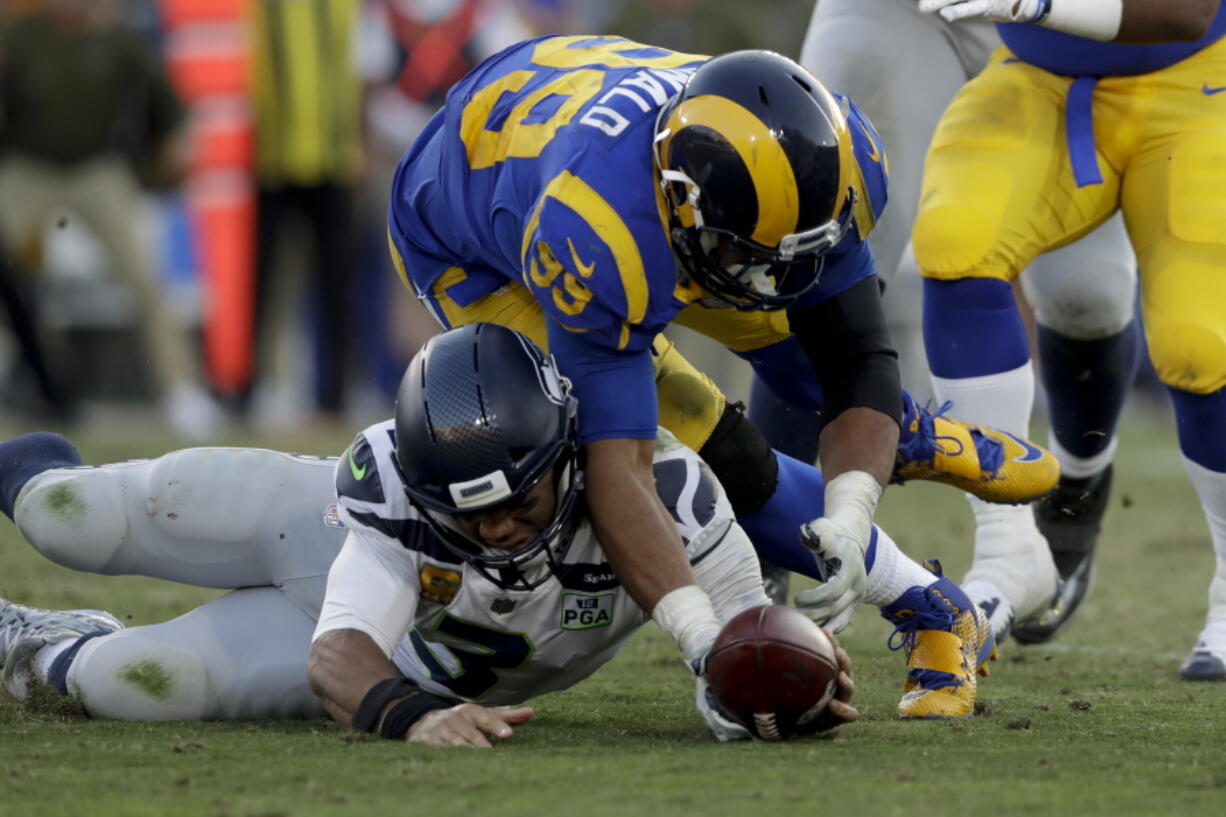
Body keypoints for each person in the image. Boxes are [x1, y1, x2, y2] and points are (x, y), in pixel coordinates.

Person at [384, 35, 1058, 682]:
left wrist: (851, 507)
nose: (774, 282)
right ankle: (928, 599)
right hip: (474, 247)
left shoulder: (825, 156)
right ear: (683, 204)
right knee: (707, 456)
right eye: (750, 258)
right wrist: (703, 640)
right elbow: (622, 470)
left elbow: (853, 356)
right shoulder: (599, 235)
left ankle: (902, 433)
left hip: (605, 146)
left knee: (809, 353)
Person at [0, 324, 993, 734]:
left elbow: (731, 655)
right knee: (67, 510)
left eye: (518, 496)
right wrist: (414, 715)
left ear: (566, 449)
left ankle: (41, 642)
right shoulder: (391, 487)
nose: (498, 525)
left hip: (414, 642)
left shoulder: (668, 496)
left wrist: (775, 688)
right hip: (310, 536)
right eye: (463, 505)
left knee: (138, 683)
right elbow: (342, 651)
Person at [768, 0, 1137, 642]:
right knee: (811, 242)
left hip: (1071, 25)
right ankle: (760, 553)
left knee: (1089, 293)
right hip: (901, 10)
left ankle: (1075, 494)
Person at [910, 0, 1226, 674]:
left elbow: (1189, 12)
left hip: (1199, 79)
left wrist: (1039, 1)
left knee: (1201, 340)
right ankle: (1007, 548)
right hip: (1039, 76)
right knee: (955, 237)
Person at [0, 0, 221, 437]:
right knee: (12, 275)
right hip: (29, 169)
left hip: (97, 170)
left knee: (142, 278)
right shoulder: (20, 37)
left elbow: (169, 105)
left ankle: (182, 390)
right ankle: (25, 383)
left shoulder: (117, 40)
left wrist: (175, 145)